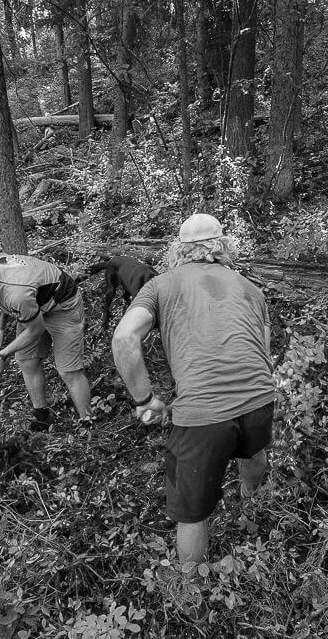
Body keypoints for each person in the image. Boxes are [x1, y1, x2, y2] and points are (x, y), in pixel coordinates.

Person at [111, 213, 276, 567]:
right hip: (261, 398)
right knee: (253, 450)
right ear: (223, 247)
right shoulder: (251, 289)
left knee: (191, 514)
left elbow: (124, 339)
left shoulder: (160, 286)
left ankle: (190, 586)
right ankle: (251, 500)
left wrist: (145, 399)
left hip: (203, 415)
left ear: (178, 250)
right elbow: (263, 353)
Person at [0, 250, 91, 431]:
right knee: (26, 360)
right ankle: (42, 416)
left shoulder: (16, 294)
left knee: (68, 371)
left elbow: (35, 329)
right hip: (33, 303)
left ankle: (87, 422)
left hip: (62, 303)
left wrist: (2, 354)